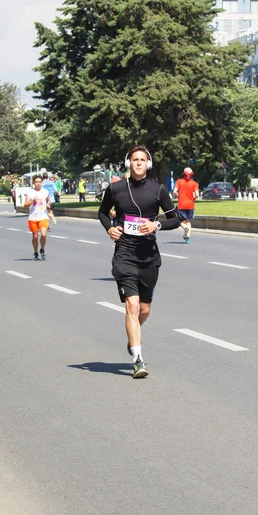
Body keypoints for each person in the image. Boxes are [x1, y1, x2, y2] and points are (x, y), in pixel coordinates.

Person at [99, 145, 179, 379]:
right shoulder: (115, 189)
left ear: (148, 164)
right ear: (128, 163)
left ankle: (133, 336)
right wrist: (110, 228)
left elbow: (176, 218)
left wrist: (157, 225)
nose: (139, 163)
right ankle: (137, 358)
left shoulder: (158, 189)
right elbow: (103, 213)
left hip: (149, 256)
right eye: (135, 159)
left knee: (144, 308)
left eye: (143, 159)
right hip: (124, 254)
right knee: (132, 306)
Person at [24, 175, 50, 260]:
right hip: (33, 217)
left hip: (43, 216)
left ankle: (42, 249)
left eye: (40, 182)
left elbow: (48, 200)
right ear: (33, 183)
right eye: (36, 182)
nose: (38, 184)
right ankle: (35, 252)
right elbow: (25, 205)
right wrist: (32, 201)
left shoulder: (45, 192)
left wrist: (48, 204)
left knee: (43, 234)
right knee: (35, 236)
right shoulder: (30, 193)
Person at [173, 167, 199, 244]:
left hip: (181, 205)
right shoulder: (195, 184)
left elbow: (174, 192)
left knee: (181, 221)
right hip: (190, 205)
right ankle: (187, 238)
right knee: (188, 221)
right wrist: (193, 198)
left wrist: (179, 196)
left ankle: (185, 229)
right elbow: (197, 195)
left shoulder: (179, 182)